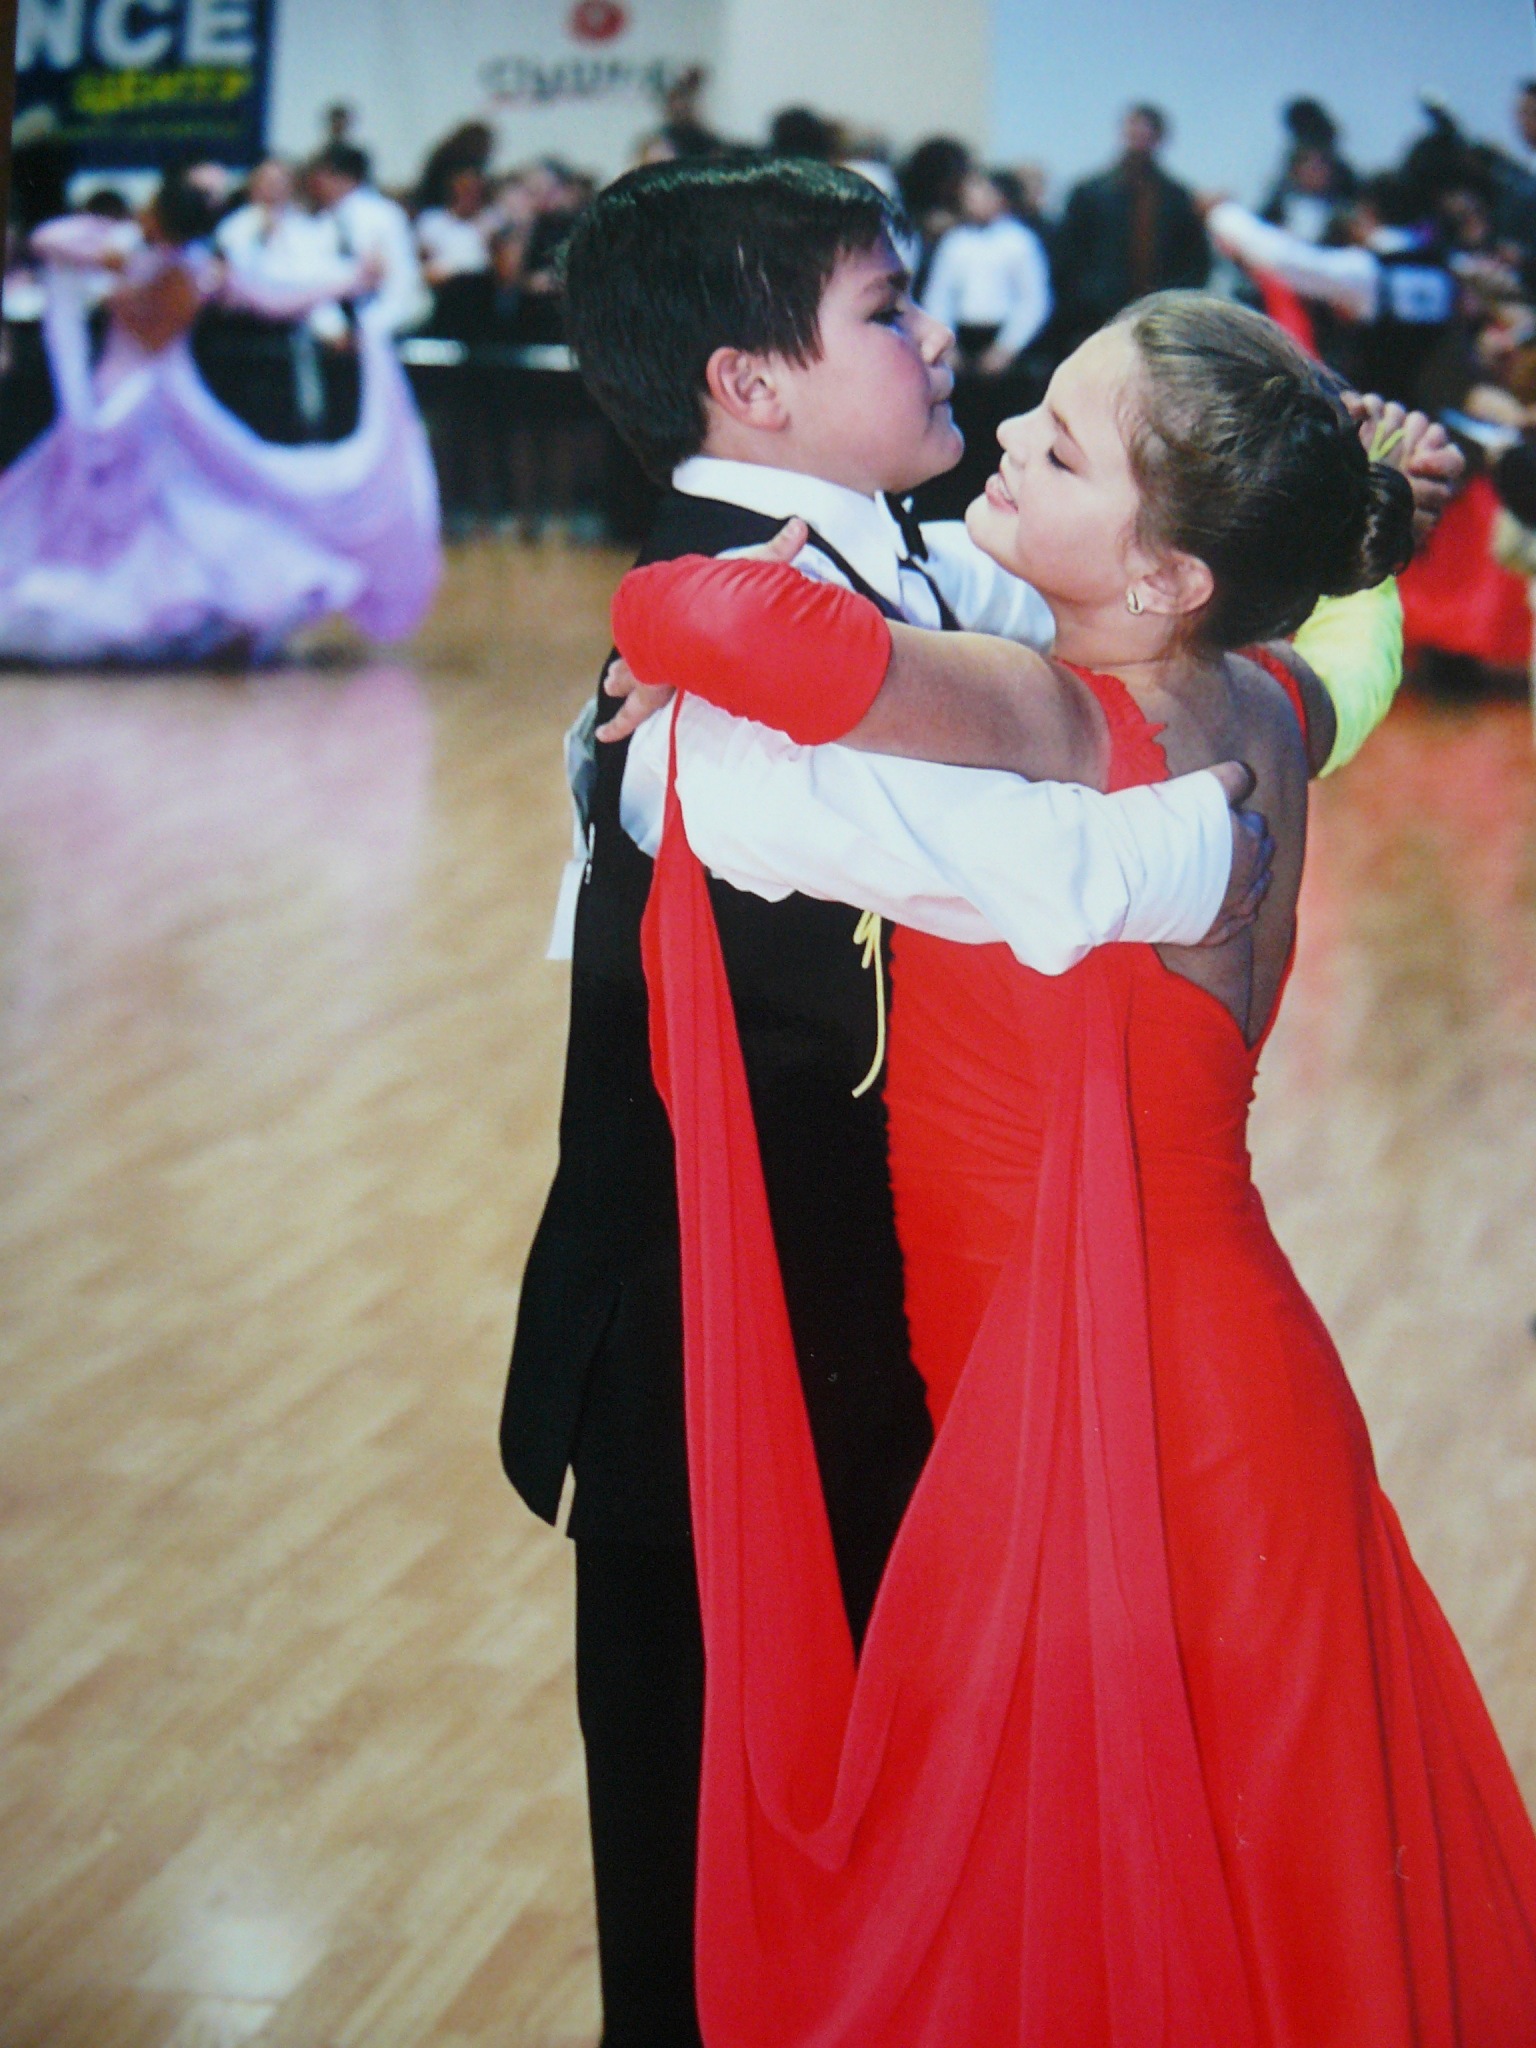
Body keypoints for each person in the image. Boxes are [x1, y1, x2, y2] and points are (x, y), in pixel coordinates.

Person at [503, 156, 1432, 2046]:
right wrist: (1198, 840)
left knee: (1003, 1850)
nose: (946, 344)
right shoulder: (739, 687)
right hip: (722, 1351)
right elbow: (1034, 848)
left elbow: (1141, 604)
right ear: (750, 383)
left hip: (981, 1347)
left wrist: (1332, 505)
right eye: (887, 307)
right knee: (720, 1889)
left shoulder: (947, 579)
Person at [0, 169, 440, 663]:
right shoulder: (198, 270)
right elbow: (273, 299)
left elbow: (48, 239)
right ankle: (184, 612)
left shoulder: (134, 260)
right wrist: (350, 280)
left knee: (153, 513)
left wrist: (115, 243)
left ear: (154, 213)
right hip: (167, 403)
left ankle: (155, 615)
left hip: (123, 401)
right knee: (190, 507)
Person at [1209, 173, 1461, 407]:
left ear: (1368, 213)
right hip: (1435, 400)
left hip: (1378, 405)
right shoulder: (1444, 269)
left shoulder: (1367, 270)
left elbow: (1291, 262)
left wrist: (1223, 213)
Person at [1050, 104, 1210, 351]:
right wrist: (1084, 303)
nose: (1138, 138)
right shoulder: (1090, 193)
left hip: (1158, 314)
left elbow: (1193, 260)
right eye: (1133, 130)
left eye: (1146, 132)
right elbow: (1068, 258)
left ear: (1159, 138)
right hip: (1097, 315)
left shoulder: (1177, 198)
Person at [920, 168, 1052, 375]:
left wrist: (1007, 347)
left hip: (1004, 339)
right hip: (961, 338)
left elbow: (1033, 299)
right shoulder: (955, 241)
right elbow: (939, 295)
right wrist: (946, 343)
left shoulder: (1020, 241)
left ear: (1000, 198)